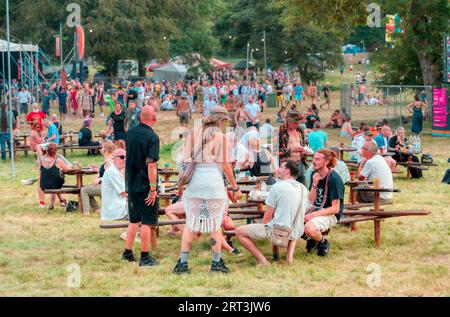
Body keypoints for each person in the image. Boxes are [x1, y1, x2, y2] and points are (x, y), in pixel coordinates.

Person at [173, 106, 242, 274]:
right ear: (222, 120)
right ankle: (216, 263)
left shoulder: (193, 133)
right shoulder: (221, 138)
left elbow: (184, 162)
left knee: (191, 224)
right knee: (214, 226)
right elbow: (225, 166)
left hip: (195, 186)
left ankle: (183, 263)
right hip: (213, 187)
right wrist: (235, 187)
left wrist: (181, 185)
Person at [235, 160, 308, 265]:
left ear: (287, 171)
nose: (277, 170)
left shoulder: (277, 187)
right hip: (296, 231)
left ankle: (263, 260)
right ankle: (289, 259)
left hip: (278, 232)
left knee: (239, 231)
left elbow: (267, 217)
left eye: (280, 167)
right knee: (289, 220)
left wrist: (260, 229)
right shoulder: (303, 188)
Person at [122, 105, 160, 267]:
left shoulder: (129, 133)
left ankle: (127, 252)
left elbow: (128, 159)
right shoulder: (152, 137)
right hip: (145, 184)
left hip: (131, 182)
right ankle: (144, 257)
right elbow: (151, 165)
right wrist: (153, 189)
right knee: (146, 221)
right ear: (152, 117)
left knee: (134, 220)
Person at [304, 149, 345, 257]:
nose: (313, 161)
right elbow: (311, 200)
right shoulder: (315, 174)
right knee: (292, 219)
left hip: (330, 213)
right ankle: (313, 239)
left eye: (317, 159)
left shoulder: (334, 178)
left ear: (326, 162)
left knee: (308, 228)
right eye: (313, 158)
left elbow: (335, 208)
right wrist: (314, 184)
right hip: (316, 209)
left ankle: (323, 243)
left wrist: (312, 215)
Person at [80, 141, 116, 215]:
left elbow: (113, 176)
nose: (100, 149)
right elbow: (106, 171)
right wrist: (97, 168)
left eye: (102, 147)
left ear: (105, 149)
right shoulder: (108, 159)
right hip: (105, 185)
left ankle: (86, 213)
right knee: (86, 188)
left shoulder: (110, 161)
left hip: (107, 187)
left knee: (83, 190)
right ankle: (97, 209)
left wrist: (99, 179)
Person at [278, 109, 309, 186]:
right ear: (288, 121)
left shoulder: (300, 131)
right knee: (288, 188)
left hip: (300, 163)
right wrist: (290, 150)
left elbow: (303, 144)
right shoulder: (280, 131)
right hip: (287, 165)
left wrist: (304, 150)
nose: (297, 124)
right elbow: (273, 150)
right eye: (295, 123)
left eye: (299, 122)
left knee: (303, 188)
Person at [39, 143, 72, 209]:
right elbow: (68, 169)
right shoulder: (58, 161)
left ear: (47, 151)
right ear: (56, 151)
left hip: (43, 185)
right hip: (55, 184)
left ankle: (52, 204)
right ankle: (57, 202)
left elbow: (41, 172)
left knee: (52, 179)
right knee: (55, 181)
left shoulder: (41, 160)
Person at [101, 148, 128, 221]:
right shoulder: (112, 172)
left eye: (126, 157)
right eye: (122, 157)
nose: (125, 159)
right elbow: (124, 193)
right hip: (117, 211)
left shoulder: (118, 170)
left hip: (119, 207)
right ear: (114, 159)